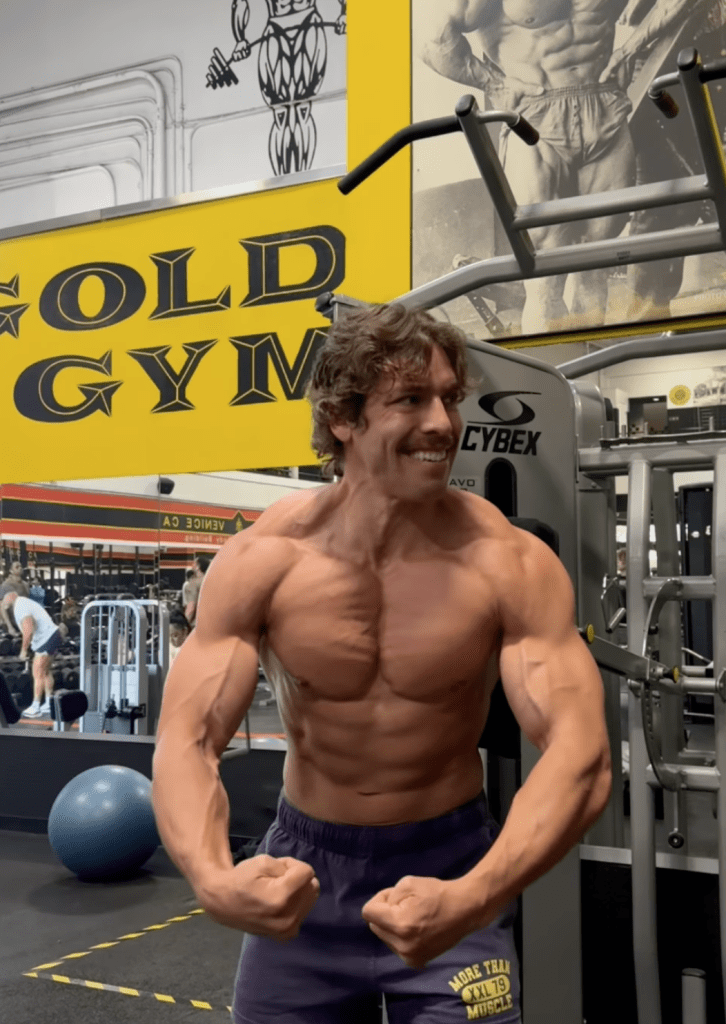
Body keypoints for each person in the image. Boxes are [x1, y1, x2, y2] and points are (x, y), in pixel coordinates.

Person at [152, 304, 611, 1024]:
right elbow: (186, 739)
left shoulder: (507, 561)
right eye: (410, 400)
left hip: (451, 862)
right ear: (344, 417)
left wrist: (476, 895)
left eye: (449, 398)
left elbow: (582, 755)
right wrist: (212, 878)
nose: (442, 424)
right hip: (307, 871)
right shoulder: (264, 560)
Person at [417, 0, 702, 334]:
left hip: (605, 107)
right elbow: (433, 39)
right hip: (536, 120)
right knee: (546, 269)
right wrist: (495, 84)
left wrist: (631, 49)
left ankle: (585, 373)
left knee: (596, 260)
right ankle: (554, 369)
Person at [2, 591, 63, 718]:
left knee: (37, 672)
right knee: (46, 671)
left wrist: (23, 650)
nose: (2, 603)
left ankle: (35, 707)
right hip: (52, 636)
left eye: (3, 599)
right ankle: (48, 703)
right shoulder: (22, 603)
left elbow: (28, 630)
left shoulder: (20, 606)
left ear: (10, 596)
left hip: (46, 638)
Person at [183, 556, 209, 628]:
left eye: (194, 563)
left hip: (196, 625)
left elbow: (191, 607)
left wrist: (184, 624)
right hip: (210, 623)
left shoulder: (193, 583)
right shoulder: (211, 581)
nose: (192, 565)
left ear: (198, 566)